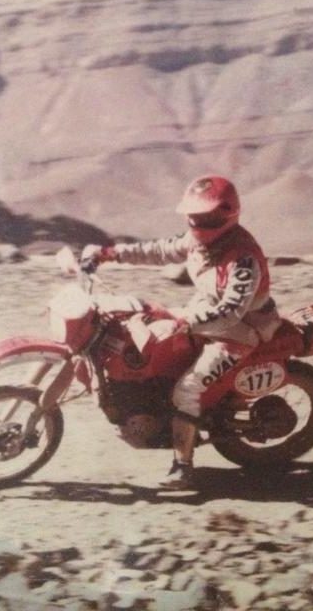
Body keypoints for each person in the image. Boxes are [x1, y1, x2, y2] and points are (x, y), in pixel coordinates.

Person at [81, 175, 281, 489]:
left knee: (187, 388)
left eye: (207, 217)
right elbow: (159, 250)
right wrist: (108, 253)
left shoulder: (243, 259)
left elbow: (231, 311)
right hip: (203, 313)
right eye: (194, 215)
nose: (198, 222)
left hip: (240, 330)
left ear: (227, 214)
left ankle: (183, 467)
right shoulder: (198, 241)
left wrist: (186, 322)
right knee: (146, 334)